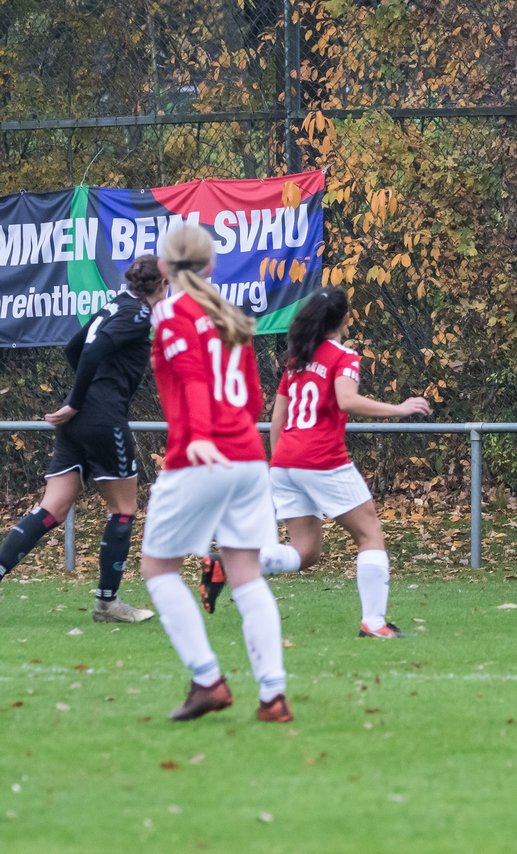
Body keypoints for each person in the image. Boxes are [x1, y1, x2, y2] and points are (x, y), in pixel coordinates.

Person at [200, 287, 431, 637]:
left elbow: (278, 418)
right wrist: (399, 409)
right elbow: (347, 400)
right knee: (370, 536)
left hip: (286, 460)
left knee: (305, 552)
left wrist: (279, 464)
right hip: (322, 459)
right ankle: (374, 623)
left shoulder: (297, 360)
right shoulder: (343, 357)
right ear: (345, 320)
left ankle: (227, 564)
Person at [138, 224, 290, 723]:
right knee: (246, 573)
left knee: (158, 569)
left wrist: (201, 433)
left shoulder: (171, 313)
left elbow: (193, 378)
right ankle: (273, 696)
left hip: (201, 455)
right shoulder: (230, 315)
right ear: (213, 265)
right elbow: (251, 399)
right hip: (247, 456)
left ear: (164, 268)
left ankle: (208, 680)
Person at [0, 257, 166, 622]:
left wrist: (79, 399)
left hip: (78, 420)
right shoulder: (138, 314)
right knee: (123, 509)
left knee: (52, 507)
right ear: (162, 286)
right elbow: (89, 351)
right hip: (101, 418)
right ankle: (107, 604)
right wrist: (82, 400)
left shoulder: (114, 305)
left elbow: (73, 347)